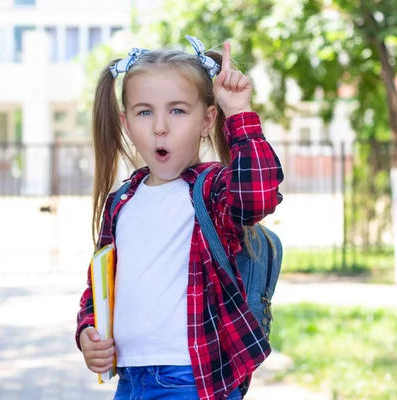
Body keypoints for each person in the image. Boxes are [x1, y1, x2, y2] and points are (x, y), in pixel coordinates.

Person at [76, 35, 284, 400]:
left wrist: (238, 113)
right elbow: (100, 287)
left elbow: (258, 194)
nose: (160, 126)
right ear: (126, 123)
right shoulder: (122, 201)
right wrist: (87, 332)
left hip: (192, 381)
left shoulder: (211, 191)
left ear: (207, 120)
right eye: (145, 111)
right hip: (131, 381)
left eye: (177, 110)